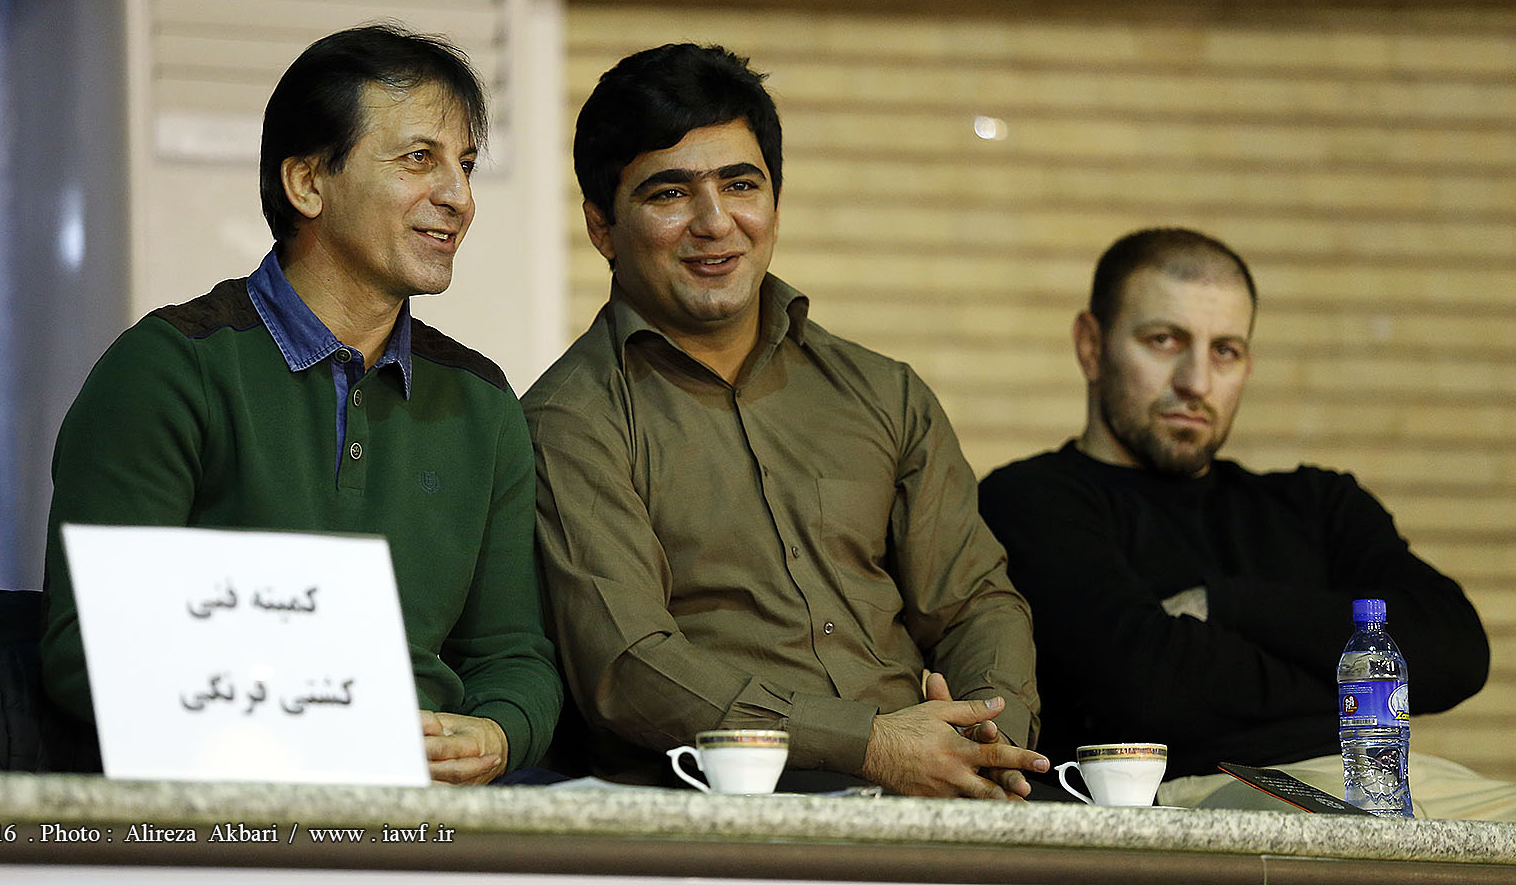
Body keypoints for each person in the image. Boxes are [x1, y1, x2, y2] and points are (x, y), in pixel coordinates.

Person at [523, 43, 1047, 798]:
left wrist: (987, 740)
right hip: (727, 815)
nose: (715, 223)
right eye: (669, 194)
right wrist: (870, 745)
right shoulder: (571, 420)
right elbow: (630, 666)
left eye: (741, 185)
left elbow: (975, 603)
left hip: (938, 796)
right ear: (602, 227)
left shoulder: (884, 393)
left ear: (775, 200)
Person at [40, 24, 561, 784]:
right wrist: (318, 728)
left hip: (426, 813)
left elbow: (514, 656)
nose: (459, 197)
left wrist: (496, 732)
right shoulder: (170, 369)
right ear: (307, 183)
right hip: (220, 806)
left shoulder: (482, 402)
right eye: (420, 159)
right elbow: (86, 644)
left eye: (466, 165)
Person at [978, 227, 1513, 817]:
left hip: (1405, 779)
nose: (1196, 382)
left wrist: (1225, 606)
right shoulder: (1030, 500)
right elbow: (1150, 692)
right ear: (1090, 345)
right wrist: (1366, 687)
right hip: (1209, 795)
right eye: (1164, 341)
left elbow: (1458, 653)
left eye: (1225, 351)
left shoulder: (1319, 502)